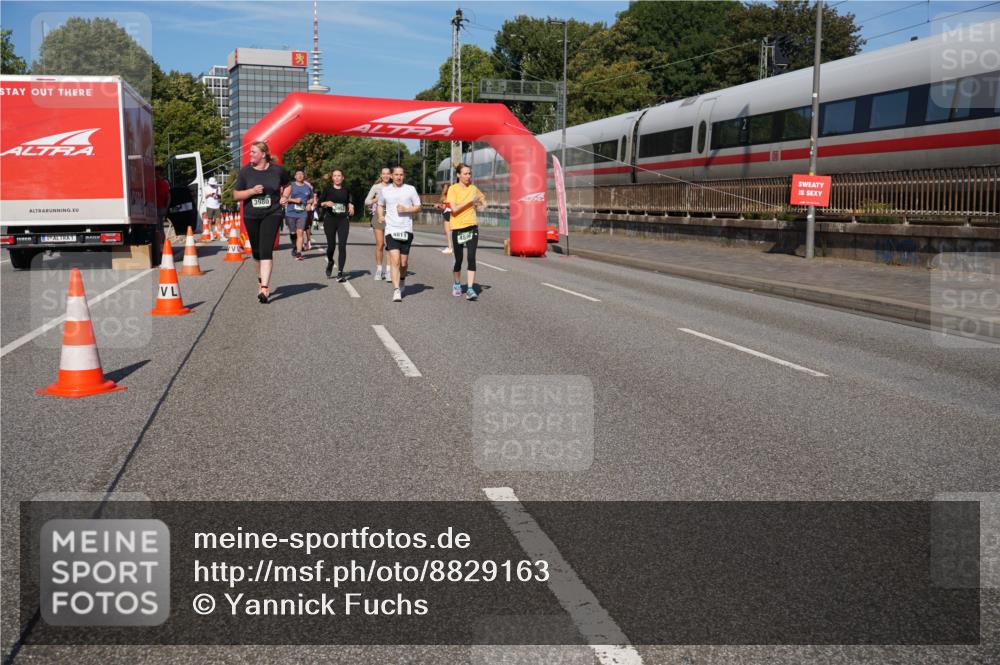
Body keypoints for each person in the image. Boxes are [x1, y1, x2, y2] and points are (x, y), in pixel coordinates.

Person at [233, 141, 290, 303]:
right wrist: (251, 191)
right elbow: (236, 195)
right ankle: (260, 280)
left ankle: (264, 288)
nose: (250, 155)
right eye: (250, 152)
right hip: (251, 216)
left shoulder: (277, 171)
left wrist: (285, 197)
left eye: (253, 152)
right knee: (256, 252)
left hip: (272, 214)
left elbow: (287, 186)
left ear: (263, 155)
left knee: (266, 250)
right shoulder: (245, 172)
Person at [376, 165, 421, 302]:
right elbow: (380, 204)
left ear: (404, 176)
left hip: (406, 229)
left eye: (401, 174)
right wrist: (380, 216)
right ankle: (396, 290)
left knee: (403, 262)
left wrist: (407, 209)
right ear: (391, 176)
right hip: (391, 229)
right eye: (396, 174)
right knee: (394, 260)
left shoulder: (410, 189)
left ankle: (402, 280)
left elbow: (419, 207)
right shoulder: (385, 190)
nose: (398, 177)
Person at [446, 163, 486, 301]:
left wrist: (482, 206)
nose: (468, 176)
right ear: (458, 175)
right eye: (465, 173)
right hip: (457, 227)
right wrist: (470, 201)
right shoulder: (453, 189)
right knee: (459, 259)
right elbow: (454, 209)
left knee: (471, 257)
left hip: (471, 227)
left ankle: (470, 289)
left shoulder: (474, 188)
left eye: (469, 173)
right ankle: (457, 284)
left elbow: (482, 200)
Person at [318, 168, 355, 281]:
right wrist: (325, 203)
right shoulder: (327, 189)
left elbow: (350, 200)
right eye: (335, 176)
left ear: (343, 178)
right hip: (330, 220)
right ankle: (330, 261)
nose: (337, 178)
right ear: (332, 178)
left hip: (343, 220)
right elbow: (319, 203)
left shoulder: (346, 189)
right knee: (331, 247)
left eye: (339, 175)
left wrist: (351, 206)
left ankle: (340, 272)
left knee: (342, 246)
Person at [364, 167, 392, 281]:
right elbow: (366, 201)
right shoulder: (376, 187)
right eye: (383, 174)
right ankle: (379, 269)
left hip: (391, 217)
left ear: (391, 175)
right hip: (378, 217)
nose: (385, 176)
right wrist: (376, 199)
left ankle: (389, 271)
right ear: (381, 175)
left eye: (388, 174)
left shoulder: (394, 187)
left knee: (390, 245)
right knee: (380, 244)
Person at [285, 169, 312, 260]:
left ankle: (299, 253)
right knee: (293, 233)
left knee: (300, 232)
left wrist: (309, 204)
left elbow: (312, 198)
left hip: (302, 213)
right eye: (298, 174)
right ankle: (295, 246)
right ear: (295, 176)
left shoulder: (307, 187)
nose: (300, 175)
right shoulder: (290, 185)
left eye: (302, 174)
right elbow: (284, 198)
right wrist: (294, 200)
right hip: (291, 213)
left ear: (304, 176)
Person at [433, 182, 454, 255]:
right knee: (454, 231)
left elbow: (445, 207)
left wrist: (438, 206)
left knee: (447, 232)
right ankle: (453, 247)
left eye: (443, 188)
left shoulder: (445, 196)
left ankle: (450, 247)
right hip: (453, 213)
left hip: (447, 213)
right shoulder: (453, 195)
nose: (443, 189)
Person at [155, 166, 171, 235]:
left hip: (156, 209)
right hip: (162, 208)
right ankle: (162, 243)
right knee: (160, 228)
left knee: (157, 228)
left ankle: (160, 244)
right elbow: (168, 197)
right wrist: (166, 208)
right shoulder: (165, 183)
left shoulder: (155, 183)